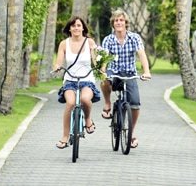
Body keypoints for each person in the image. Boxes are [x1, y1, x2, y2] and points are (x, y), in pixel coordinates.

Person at [99, 8, 151, 149]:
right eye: (116, 20)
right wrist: (103, 71)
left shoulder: (134, 37)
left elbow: (141, 54)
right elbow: (104, 59)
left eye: (121, 20)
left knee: (135, 104)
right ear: (113, 23)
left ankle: (131, 133)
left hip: (129, 73)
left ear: (126, 23)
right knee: (104, 81)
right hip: (114, 71)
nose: (119, 22)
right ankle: (108, 103)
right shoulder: (108, 40)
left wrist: (146, 71)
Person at [51, 16, 101, 149]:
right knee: (70, 103)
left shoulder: (89, 42)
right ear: (69, 29)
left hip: (87, 79)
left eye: (79, 25)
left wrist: (100, 67)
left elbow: (96, 60)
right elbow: (59, 61)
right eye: (73, 26)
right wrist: (57, 67)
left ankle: (88, 120)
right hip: (70, 79)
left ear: (83, 27)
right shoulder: (64, 43)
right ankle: (65, 137)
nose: (76, 28)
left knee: (85, 99)